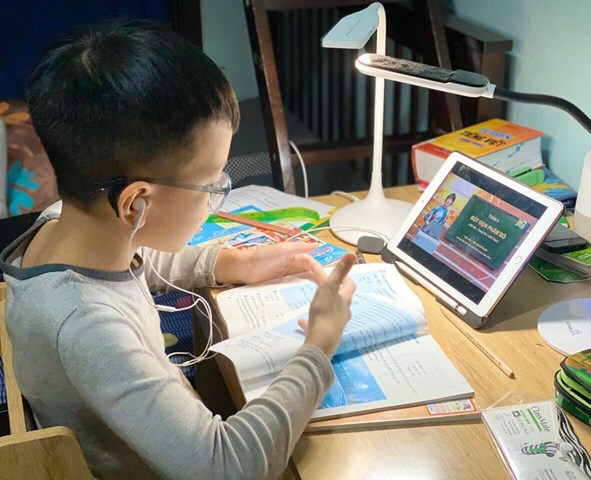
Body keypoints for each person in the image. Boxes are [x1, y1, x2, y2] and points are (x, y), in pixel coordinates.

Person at [0, 19, 356, 479]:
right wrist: (320, 343)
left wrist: (234, 262)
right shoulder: (87, 327)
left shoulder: (64, 222)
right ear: (136, 203)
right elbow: (229, 468)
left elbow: (132, 261)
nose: (216, 197)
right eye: (211, 184)